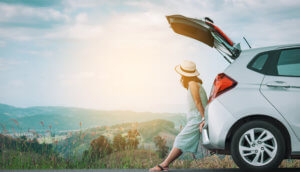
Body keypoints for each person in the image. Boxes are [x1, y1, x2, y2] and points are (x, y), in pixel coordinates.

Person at [149, 60, 209, 171]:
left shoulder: (192, 84)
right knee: (182, 140)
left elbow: (198, 102)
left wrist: (203, 119)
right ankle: (165, 164)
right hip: (196, 118)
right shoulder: (195, 84)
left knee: (180, 140)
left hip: (197, 119)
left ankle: (164, 165)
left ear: (184, 75)